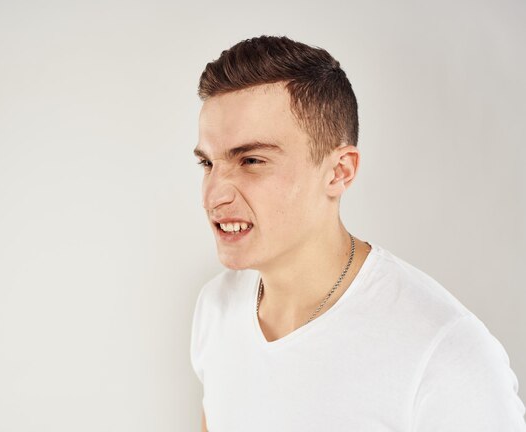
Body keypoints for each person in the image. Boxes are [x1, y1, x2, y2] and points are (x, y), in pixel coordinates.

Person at [189, 35, 526, 431]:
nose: (214, 194)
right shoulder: (216, 308)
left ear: (339, 172)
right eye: (207, 163)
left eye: (251, 160)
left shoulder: (446, 354)